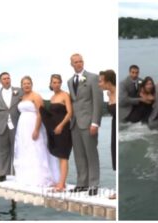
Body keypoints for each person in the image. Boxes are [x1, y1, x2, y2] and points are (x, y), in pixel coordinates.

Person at [67, 53, 103, 196]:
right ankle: (82, 183)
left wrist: (95, 122)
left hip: (88, 122)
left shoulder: (93, 78)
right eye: (75, 62)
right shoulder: (70, 81)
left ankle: (94, 184)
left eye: (80, 61)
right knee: (79, 155)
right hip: (75, 123)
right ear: (71, 64)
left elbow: (98, 102)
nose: (78, 64)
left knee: (91, 153)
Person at [14, 76, 60, 186]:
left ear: (32, 84)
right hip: (22, 127)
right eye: (24, 83)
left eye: (28, 83)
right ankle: (27, 176)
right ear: (21, 85)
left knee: (36, 149)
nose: (26, 85)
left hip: (33, 124)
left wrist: (36, 129)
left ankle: (41, 178)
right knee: (25, 149)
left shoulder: (36, 96)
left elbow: (40, 113)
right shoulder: (22, 97)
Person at [0, 72, 23, 182]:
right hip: (0, 126)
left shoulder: (19, 91)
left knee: (17, 150)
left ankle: (19, 173)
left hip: (17, 125)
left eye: (8, 78)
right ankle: (2, 173)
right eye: (4, 79)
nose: (7, 80)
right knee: (2, 150)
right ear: (0, 81)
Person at [40, 74, 73, 191]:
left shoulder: (65, 95)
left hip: (63, 129)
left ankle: (62, 184)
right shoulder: (52, 97)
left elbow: (69, 113)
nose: (56, 84)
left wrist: (60, 125)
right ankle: (60, 181)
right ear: (50, 84)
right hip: (55, 130)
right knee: (59, 155)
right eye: (54, 82)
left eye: (58, 82)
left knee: (63, 156)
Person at [98, 70, 116, 200]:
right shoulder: (109, 94)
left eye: (101, 81)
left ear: (108, 81)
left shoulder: (117, 94)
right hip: (113, 125)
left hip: (116, 125)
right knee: (114, 155)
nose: (99, 84)